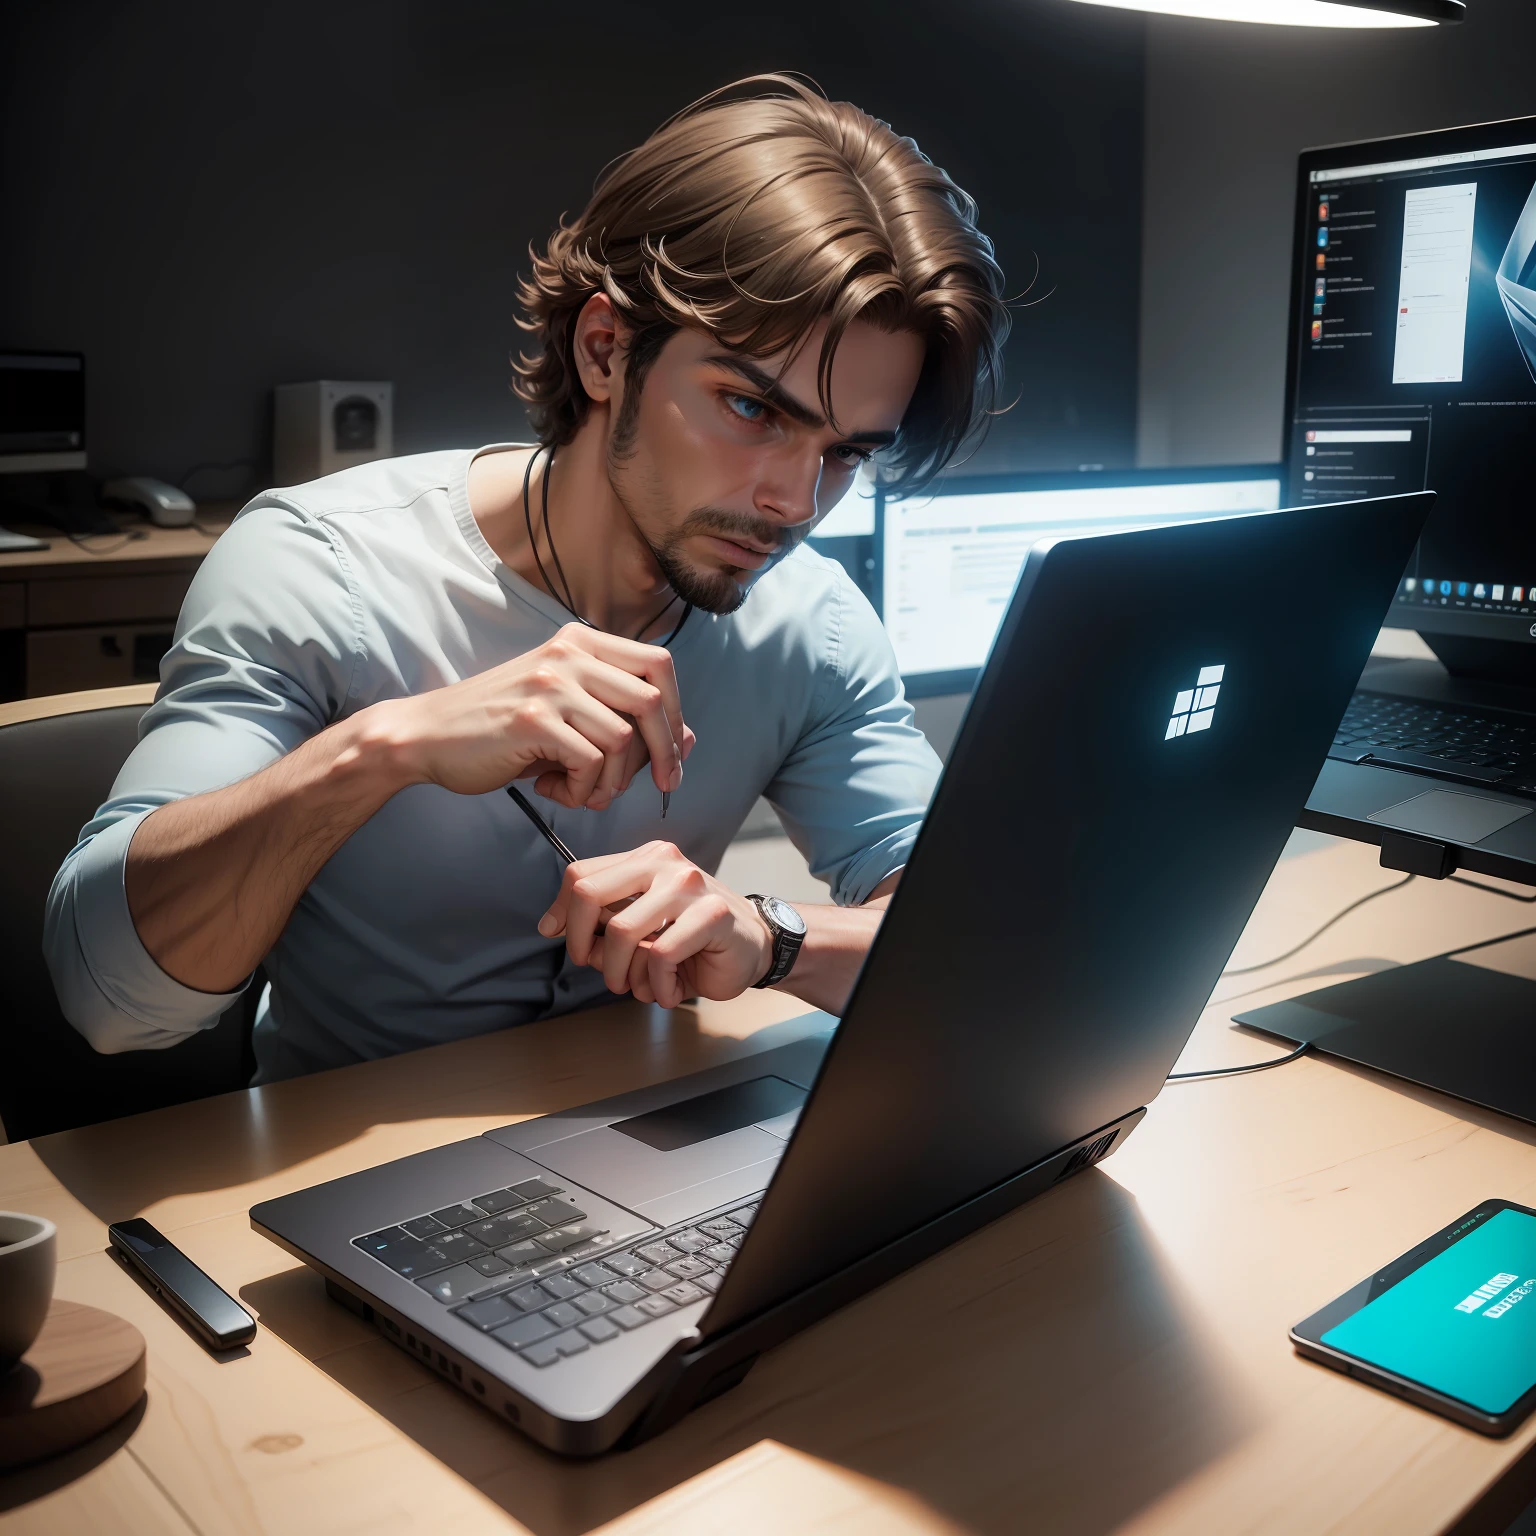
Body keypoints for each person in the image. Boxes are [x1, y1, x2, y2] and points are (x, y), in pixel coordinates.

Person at [45, 75, 1009, 1083]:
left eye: (847, 452)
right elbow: (106, 999)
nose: (798, 502)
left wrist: (774, 935)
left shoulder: (809, 626)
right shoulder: (322, 566)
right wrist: (385, 749)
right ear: (606, 350)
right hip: (331, 1180)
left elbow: (978, 950)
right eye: (752, 410)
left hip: (648, 1167)